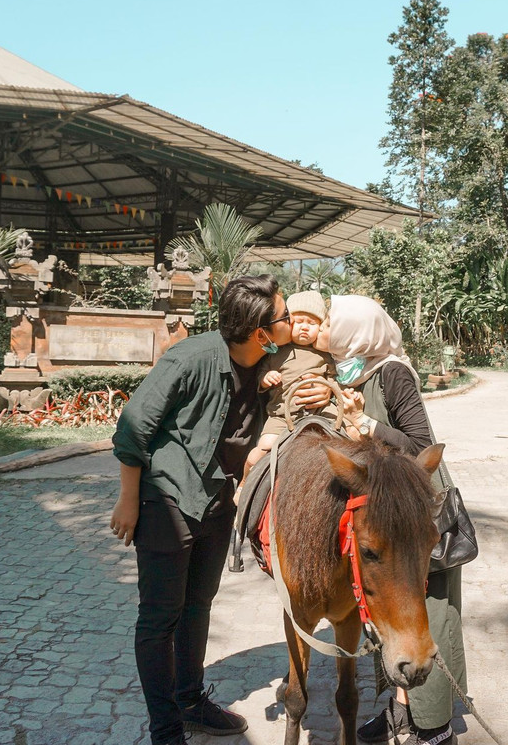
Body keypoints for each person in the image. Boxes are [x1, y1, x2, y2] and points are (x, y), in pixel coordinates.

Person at [110, 275, 326, 745]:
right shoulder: (189, 358)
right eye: (285, 316)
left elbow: (315, 382)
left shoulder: (274, 360)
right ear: (259, 330)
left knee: (197, 606)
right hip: (166, 496)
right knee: (159, 617)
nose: (292, 323)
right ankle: (166, 730)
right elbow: (132, 430)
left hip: (217, 501)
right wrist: (129, 500)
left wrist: (323, 393)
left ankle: (190, 702)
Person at [314, 294, 467, 745]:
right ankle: (398, 710)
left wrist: (370, 427)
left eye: (328, 322)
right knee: (388, 614)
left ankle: (433, 726)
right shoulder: (354, 373)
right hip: (387, 515)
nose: (322, 329)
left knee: (429, 613)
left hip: (417, 516)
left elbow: (424, 443)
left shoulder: (393, 373)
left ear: (354, 330)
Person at [242, 290, 337, 480]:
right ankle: (245, 483)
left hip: (319, 413)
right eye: (299, 322)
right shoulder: (275, 352)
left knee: (342, 437)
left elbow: (335, 380)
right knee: (261, 451)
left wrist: (329, 387)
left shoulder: (325, 355)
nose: (304, 328)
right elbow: (261, 372)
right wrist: (266, 378)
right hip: (281, 416)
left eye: (312, 323)